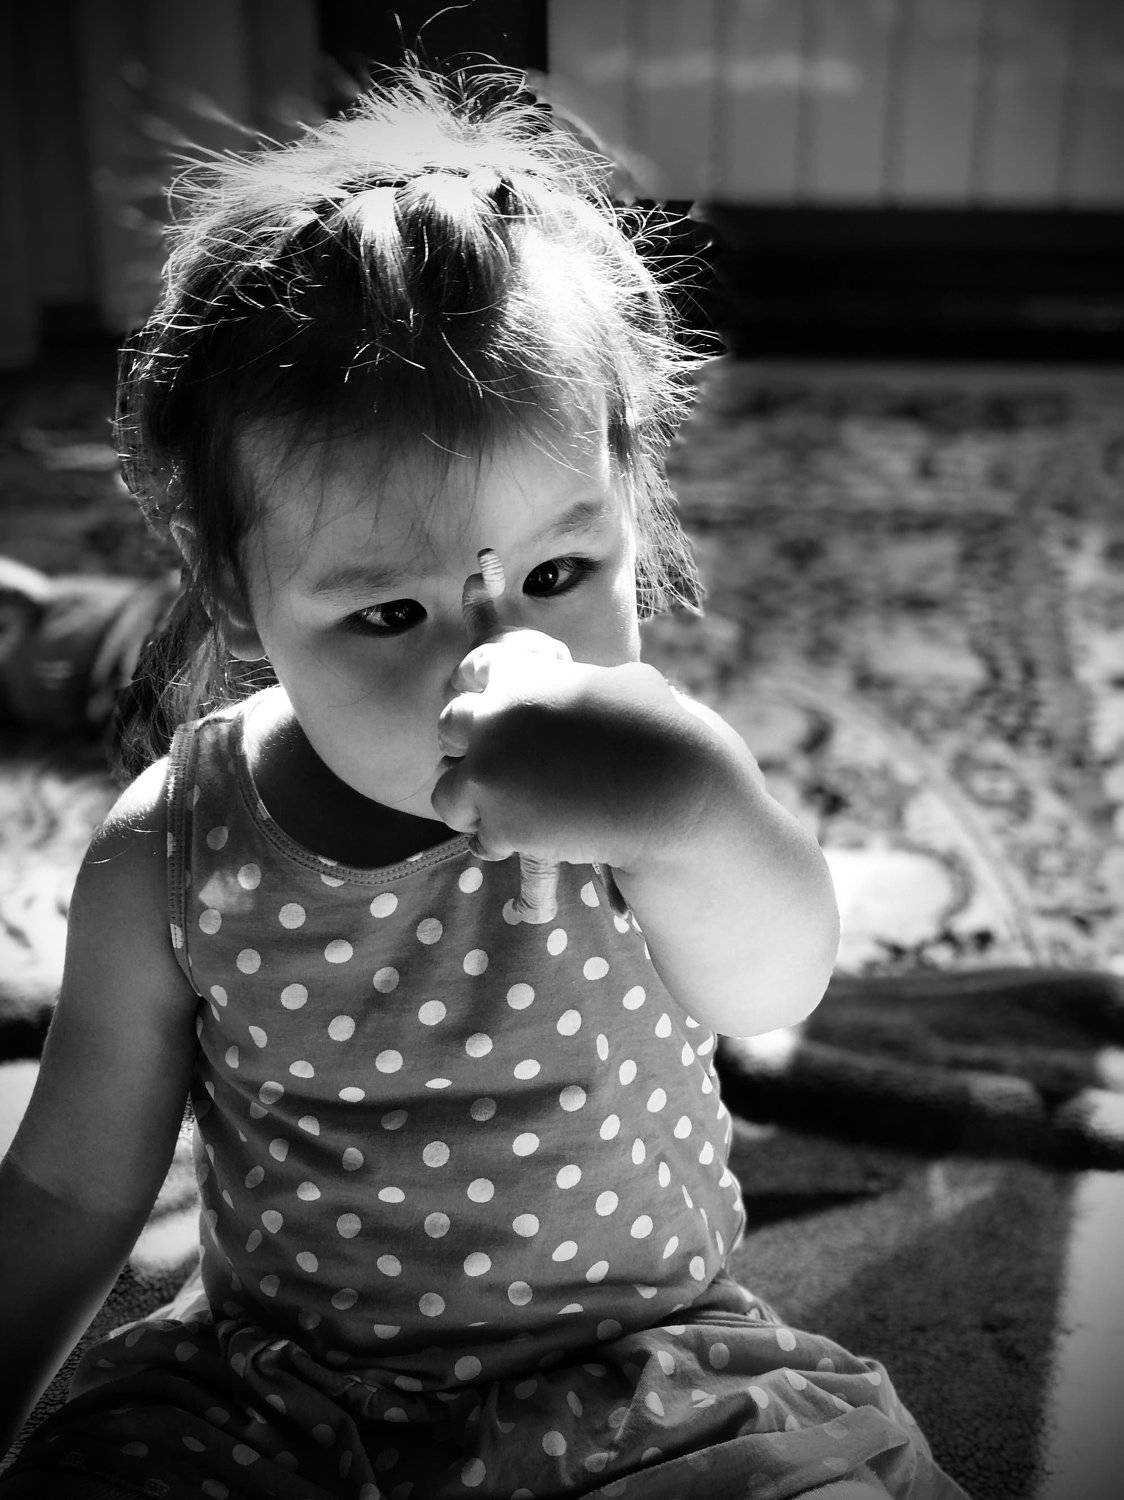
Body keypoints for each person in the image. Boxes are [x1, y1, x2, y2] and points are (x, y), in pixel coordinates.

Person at [0, 66, 968, 1500]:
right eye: (392, 613)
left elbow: (774, 984)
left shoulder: (642, 778)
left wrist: (695, 811)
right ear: (238, 595)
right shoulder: (174, 847)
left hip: (644, 1378)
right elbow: (74, 1184)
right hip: (289, 1405)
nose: (499, 660)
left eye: (561, 572)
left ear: (631, 513)